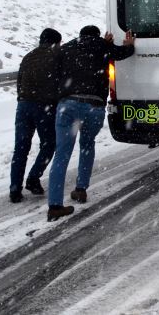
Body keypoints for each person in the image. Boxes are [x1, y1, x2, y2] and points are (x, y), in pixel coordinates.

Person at [46, 26, 135, 221]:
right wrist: (127, 45)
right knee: (87, 145)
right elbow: (124, 53)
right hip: (93, 106)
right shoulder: (102, 46)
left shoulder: (67, 48)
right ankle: (81, 189)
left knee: (61, 154)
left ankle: (54, 205)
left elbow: (53, 75)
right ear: (96, 36)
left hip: (67, 105)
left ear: (80, 35)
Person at [9, 28, 62, 203]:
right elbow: (61, 83)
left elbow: (19, 82)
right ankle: (33, 178)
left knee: (21, 148)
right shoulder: (56, 56)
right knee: (49, 144)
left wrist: (24, 99)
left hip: (23, 106)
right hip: (44, 107)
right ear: (55, 42)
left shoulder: (28, 56)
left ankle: (15, 189)